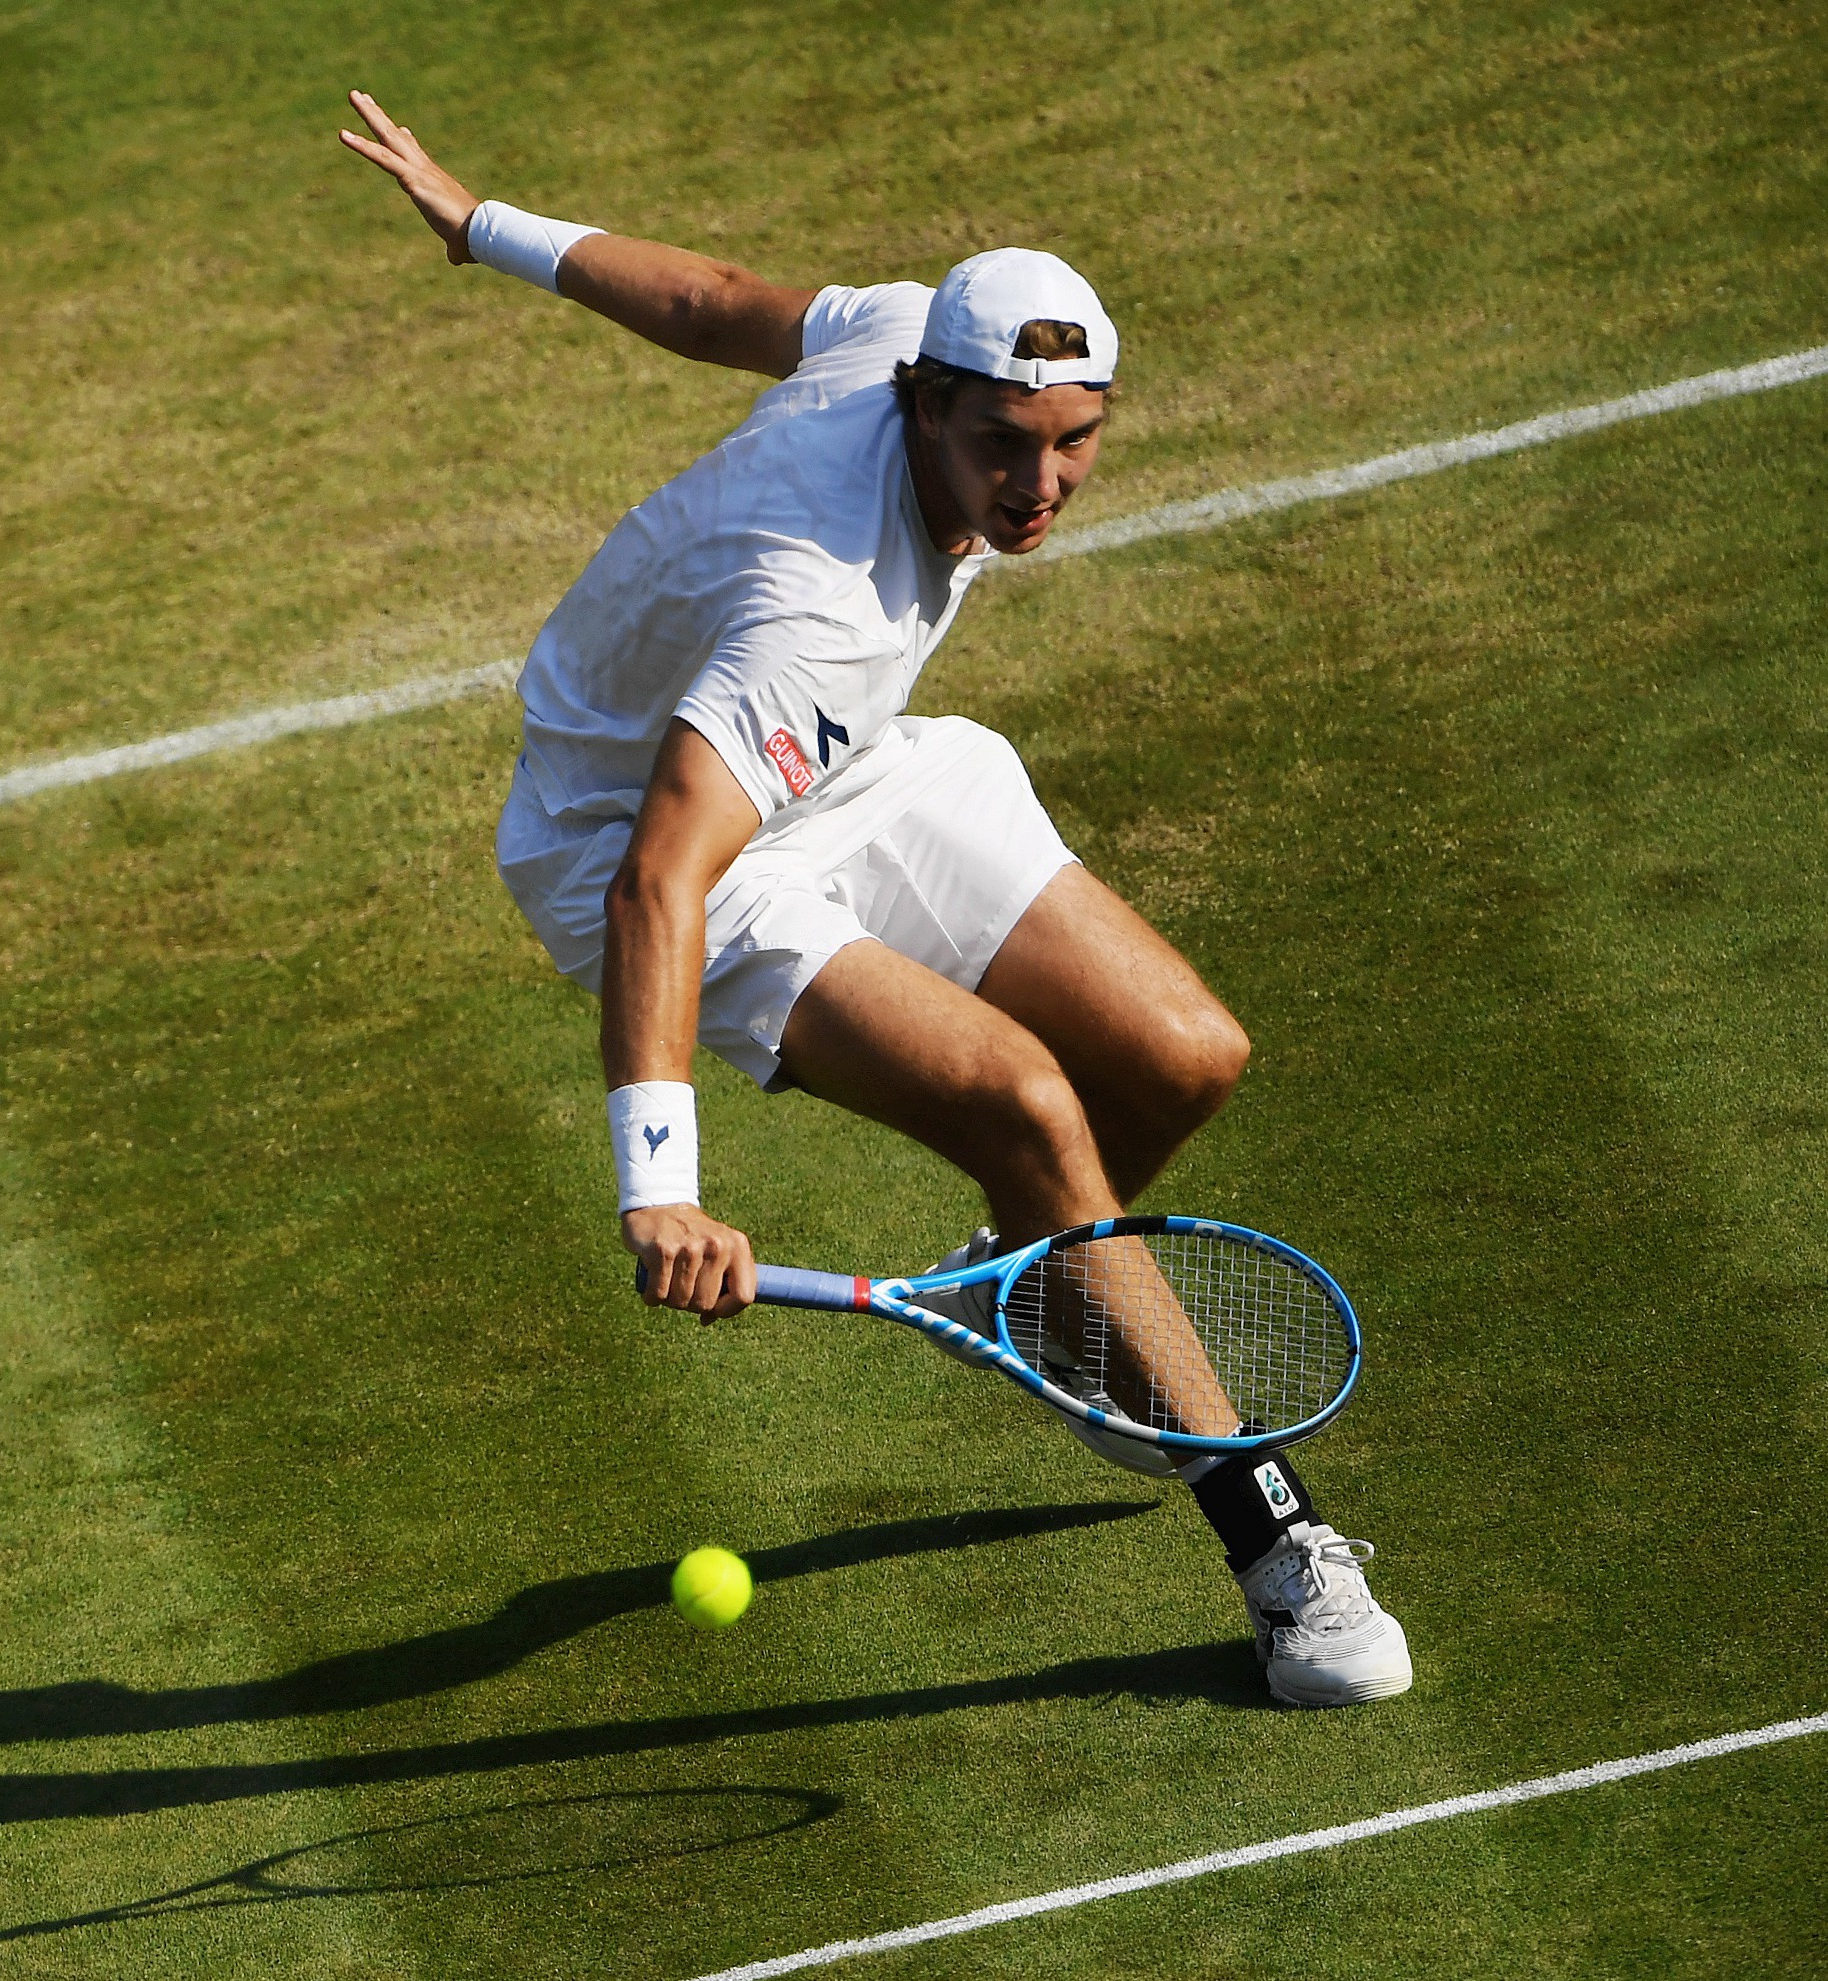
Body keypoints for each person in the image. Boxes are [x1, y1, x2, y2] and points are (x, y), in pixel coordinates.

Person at [338, 91, 1410, 1706]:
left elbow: (709, 303)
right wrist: (658, 1185)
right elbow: (657, 883)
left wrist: (484, 222)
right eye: (1000, 448)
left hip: (846, 767)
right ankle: (1276, 1548)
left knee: (1184, 1056)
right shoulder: (819, 611)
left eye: (1074, 441)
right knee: (1029, 1102)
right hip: (639, 843)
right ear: (924, 405)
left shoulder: (911, 335)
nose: (1039, 484)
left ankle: (1046, 1272)